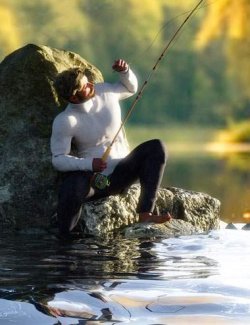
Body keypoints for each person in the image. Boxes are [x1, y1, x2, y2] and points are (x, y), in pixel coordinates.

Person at [50, 58, 171, 238]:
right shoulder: (66, 121)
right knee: (73, 184)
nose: (92, 85)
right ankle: (64, 237)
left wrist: (125, 72)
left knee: (156, 147)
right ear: (74, 96)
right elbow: (58, 159)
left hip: (125, 170)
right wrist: (90, 164)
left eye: (89, 81)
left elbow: (131, 88)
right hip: (97, 181)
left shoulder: (105, 91)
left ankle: (146, 214)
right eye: (86, 86)